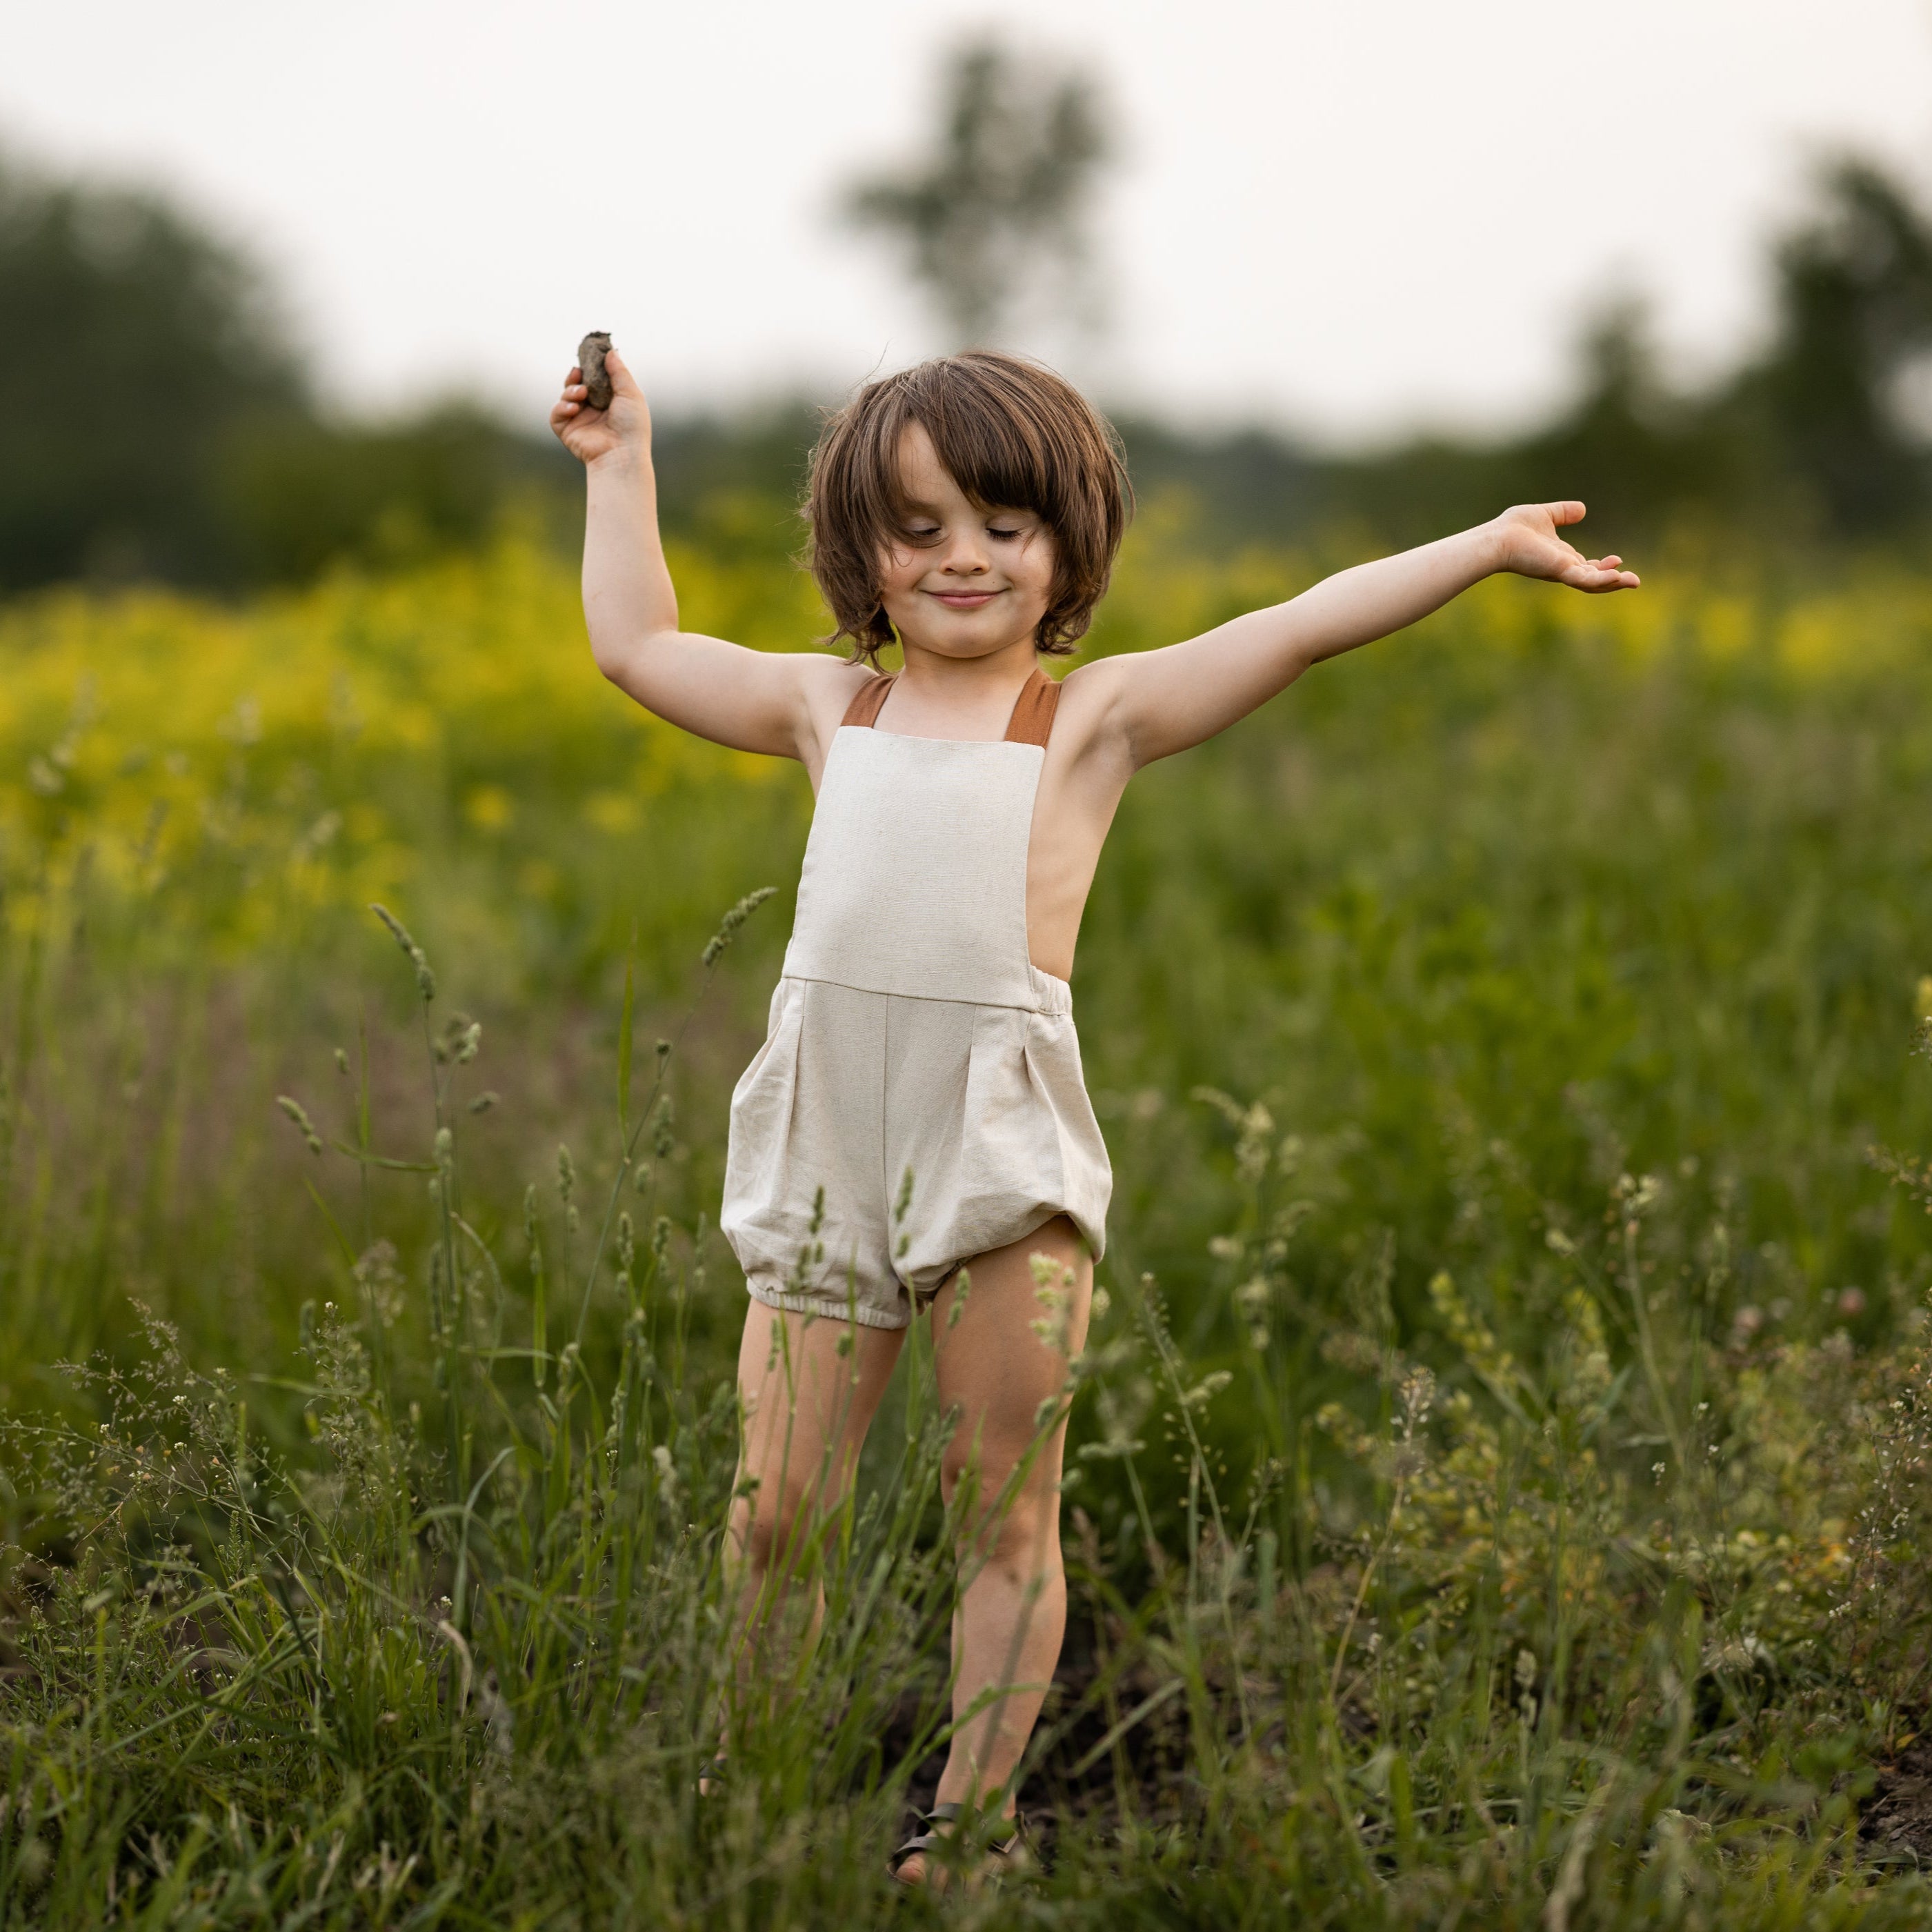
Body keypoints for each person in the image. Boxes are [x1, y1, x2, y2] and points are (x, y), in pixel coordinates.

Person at [550, 345, 1637, 1886]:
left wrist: (1482, 547)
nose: (964, 558)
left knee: (1001, 1509)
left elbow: (1302, 625)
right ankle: (745, 1796)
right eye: (919, 528)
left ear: (1066, 543)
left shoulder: (1090, 720)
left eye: (1003, 522)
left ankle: (969, 1831)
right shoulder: (827, 706)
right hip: (829, 1142)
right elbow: (639, 645)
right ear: (861, 552)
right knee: (777, 1510)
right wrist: (620, 463)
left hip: (998, 1147)